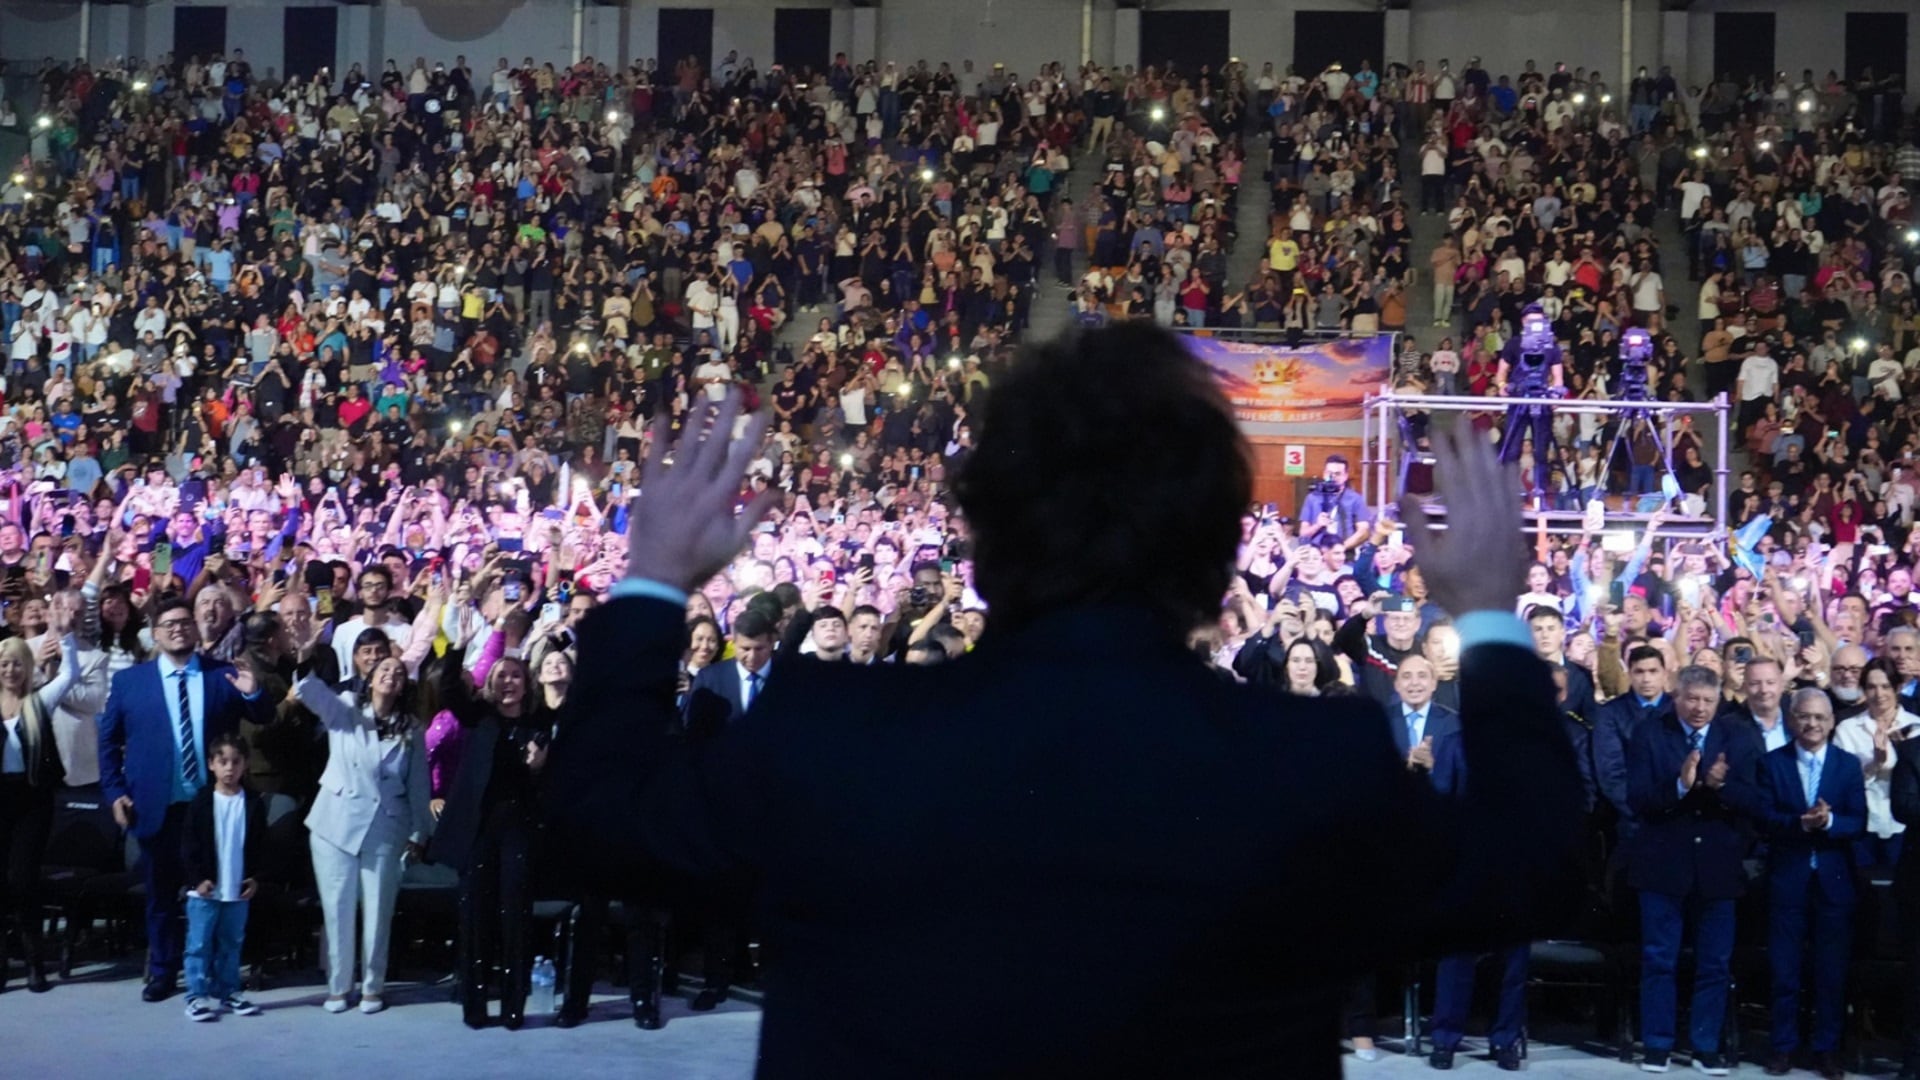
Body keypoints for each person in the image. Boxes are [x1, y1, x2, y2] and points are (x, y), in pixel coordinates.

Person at [547, 322, 1584, 1078]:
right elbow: (1528, 859)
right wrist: (1490, 613)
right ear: (1220, 553)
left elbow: (597, 816)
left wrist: (651, 582)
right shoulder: (1309, 764)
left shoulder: (831, 733)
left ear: (982, 542)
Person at [97, 597, 268, 1003]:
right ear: (154, 634)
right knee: (159, 893)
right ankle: (162, 970)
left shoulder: (221, 675)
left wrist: (253, 692)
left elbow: (264, 717)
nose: (178, 628)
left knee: (213, 892)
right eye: (168, 623)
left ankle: (210, 969)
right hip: (154, 804)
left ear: (195, 629)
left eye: (184, 622)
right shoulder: (130, 682)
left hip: (210, 810)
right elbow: (108, 742)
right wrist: (116, 791)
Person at [1626, 664, 1765, 1075]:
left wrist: (1720, 787)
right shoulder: (1650, 733)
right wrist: (1682, 786)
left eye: (1708, 701)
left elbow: (1755, 801)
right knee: (1659, 960)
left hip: (1717, 868)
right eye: (1692, 700)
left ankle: (1706, 1045)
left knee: (1715, 964)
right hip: (1662, 867)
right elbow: (1638, 799)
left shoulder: (1737, 737)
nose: (1700, 708)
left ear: (1718, 701)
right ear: (1677, 698)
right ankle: (1657, 1044)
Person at [294, 653, 434, 1014]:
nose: (391, 674)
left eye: (399, 672)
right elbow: (312, 693)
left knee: (378, 909)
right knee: (337, 908)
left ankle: (373, 986)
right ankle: (339, 986)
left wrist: (419, 830)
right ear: (369, 678)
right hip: (335, 822)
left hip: (386, 823)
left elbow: (418, 784)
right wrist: (307, 655)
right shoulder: (347, 710)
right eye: (384, 669)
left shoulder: (412, 729)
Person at [426, 650, 548, 1030]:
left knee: (516, 917)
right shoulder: (478, 717)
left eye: (516, 675)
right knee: (475, 917)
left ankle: (514, 1005)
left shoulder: (538, 725)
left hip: (520, 831)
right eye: (501, 675)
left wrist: (540, 767)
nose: (508, 681)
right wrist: (457, 646)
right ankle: (474, 1003)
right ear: (490, 683)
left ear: (527, 683)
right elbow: (448, 687)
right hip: (478, 831)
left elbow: (548, 786)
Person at [1759, 688, 1864, 1080]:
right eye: (1804, 716)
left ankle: (1827, 1050)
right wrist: (1799, 823)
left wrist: (1830, 823)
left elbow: (1858, 822)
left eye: (1820, 717)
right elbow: (1764, 817)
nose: (1812, 724)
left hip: (1834, 882)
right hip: (1788, 877)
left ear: (1832, 721)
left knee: (1831, 972)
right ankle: (1783, 1047)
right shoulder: (1772, 764)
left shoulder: (1847, 765)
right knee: (1785, 971)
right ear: (1792, 719)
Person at [0, 633, 81, 993]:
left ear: (27, 666)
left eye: (17, 662)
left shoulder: (38, 701)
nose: (10, 670)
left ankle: (35, 963)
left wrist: (67, 635)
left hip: (31, 801)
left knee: (23, 881)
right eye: (4, 664)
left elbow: (70, 676)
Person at [178, 732, 267, 1022]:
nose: (229, 768)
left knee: (231, 943)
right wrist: (197, 879)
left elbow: (259, 845)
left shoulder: (253, 802)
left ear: (245, 765)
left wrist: (254, 878)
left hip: (236, 890)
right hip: (206, 890)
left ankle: (228, 991)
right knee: (199, 943)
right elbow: (189, 844)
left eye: (236, 762)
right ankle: (196, 995)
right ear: (212, 764)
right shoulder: (202, 802)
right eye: (223, 761)